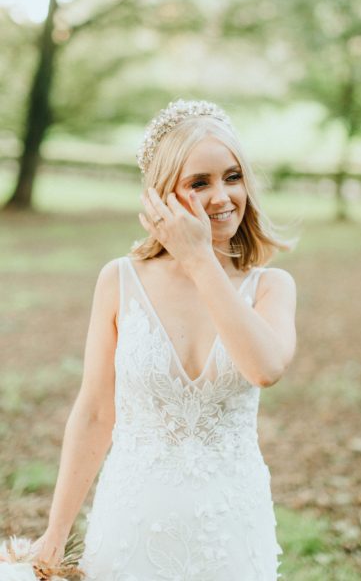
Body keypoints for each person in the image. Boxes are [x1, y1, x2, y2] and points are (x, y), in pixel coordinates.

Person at [31, 99, 298, 580]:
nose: (222, 196)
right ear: (162, 196)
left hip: (232, 529)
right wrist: (55, 533)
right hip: (131, 524)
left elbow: (265, 368)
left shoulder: (272, 287)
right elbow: (95, 412)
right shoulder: (119, 281)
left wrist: (200, 260)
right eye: (199, 182)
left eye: (232, 176)